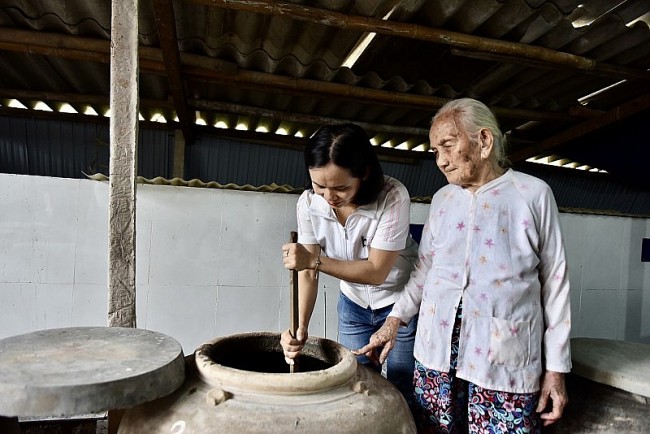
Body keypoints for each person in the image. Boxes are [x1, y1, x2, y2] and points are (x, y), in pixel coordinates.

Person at [354, 98, 572, 433]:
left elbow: (555, 283)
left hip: (501, 356)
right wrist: (394, 321)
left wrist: (556, 370)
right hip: (437, 353)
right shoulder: (443, 200)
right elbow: (425, 270)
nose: (440, 161)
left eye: (447, 146)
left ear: (484, 141)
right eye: (434, 151)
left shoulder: (531, 195)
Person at [281, 123, 419, 406]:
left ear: (365, 173)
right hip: (353, 305)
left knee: (402, 386)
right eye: (319, 186)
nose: (330, 197)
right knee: (355, 384)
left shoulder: (392, 195)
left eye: (341, 188)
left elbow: (377, 271)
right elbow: (307, 272)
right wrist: (301, 328)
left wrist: (313, 260)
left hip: (399, 303)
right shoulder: (308, 204)